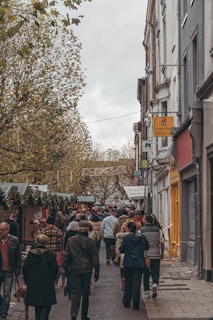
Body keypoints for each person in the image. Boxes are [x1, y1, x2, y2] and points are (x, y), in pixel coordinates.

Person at [63, 220, 100, 320]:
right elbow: (95, 257)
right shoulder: (91, 241)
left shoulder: (71, 240)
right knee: (85, 293)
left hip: (74, 269)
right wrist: (97, 271)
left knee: (75, 293)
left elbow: (66, 256)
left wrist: (66, 268)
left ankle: (74, 314)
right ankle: (84, 315)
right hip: (87, 270)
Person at [22, 234, 59, 320]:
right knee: (46, 305)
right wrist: (52, 279)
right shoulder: (50, 254)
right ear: (46, 242)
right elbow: (55, 269)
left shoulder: (31, 254)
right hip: (46, 282)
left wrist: (28, 280)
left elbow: (25, 268)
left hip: (34, 282)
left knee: (37, 306)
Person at [119, 221, 149, 310]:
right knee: (137, 283)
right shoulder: (142, 237)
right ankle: (136, 304)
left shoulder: (127, 238)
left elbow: (121, 249)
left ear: (128, 228)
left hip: (128, 263)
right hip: (139, 263)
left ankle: (127, 301)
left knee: (128, 283)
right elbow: (147, 247)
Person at [0, 222, 21, 318]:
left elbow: (18, 256)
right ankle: (2, 306)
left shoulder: (14, 240)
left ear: (7, 230)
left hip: (9, 270)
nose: (0, 231)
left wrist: (17, 270)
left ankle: (4, 312)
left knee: (6, 292)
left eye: (2, 230)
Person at [140, 214, 165, 299]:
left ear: (146, 220)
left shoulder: (141, 230)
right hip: (156, 254)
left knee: (146, 273)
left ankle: (146, 291)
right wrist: (162, 252)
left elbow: (140, 242)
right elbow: (162, 242)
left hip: (145, 255)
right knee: (156, 271)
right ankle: (155, 283)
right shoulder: (158, 230)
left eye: (143, 219)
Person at [63, 221, 79, 298]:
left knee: (69, 274)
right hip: (77, 255)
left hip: (69, 255)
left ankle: (69, 290)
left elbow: (65, 244)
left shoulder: (67, 234)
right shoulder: (78, 235)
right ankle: (75, 289)